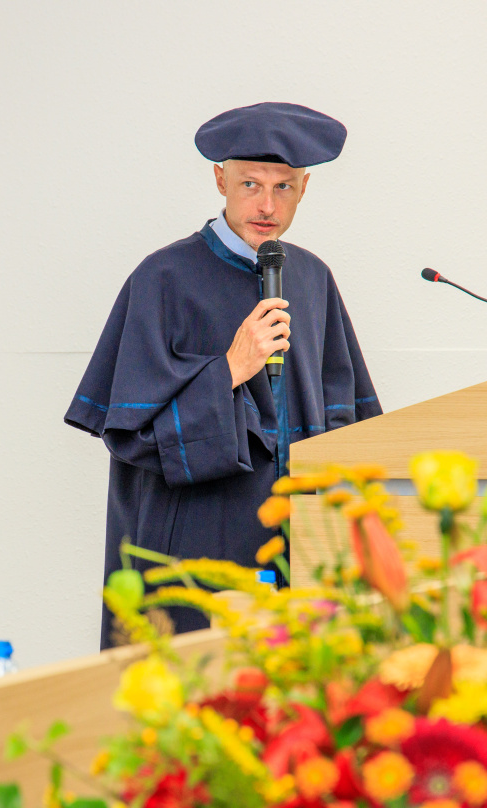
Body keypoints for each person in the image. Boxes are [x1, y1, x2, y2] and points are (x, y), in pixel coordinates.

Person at [65, 102, 383, 647]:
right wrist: (231, 369)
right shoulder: (163, 277)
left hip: (296, 549)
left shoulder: (312, 278)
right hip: (192, 545)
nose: (267, 206)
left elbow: (346, 420)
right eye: (250, 184)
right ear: (220, 180)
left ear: (304, 188)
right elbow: (130, 435)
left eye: (283, 188)